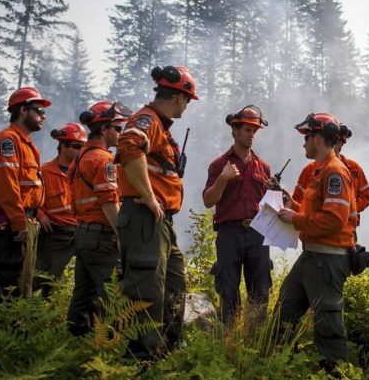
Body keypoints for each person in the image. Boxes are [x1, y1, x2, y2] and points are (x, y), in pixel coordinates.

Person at [115, 65, 198, 358]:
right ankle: (141, 364)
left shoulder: (160, 126)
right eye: (188, 100)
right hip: (144, 219)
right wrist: (149, 196)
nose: (187, 107)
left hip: (160, 221)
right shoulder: (147, 119)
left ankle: (166, 353)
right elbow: (129, 146)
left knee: (174, 286)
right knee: (146, 293)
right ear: (179, 98)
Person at [275, 112, 356, 370]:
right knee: (284, 311)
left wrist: (294, 219)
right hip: (312, 255)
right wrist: (294, 206)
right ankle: (281, 368)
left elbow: (333, 220)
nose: (304, 142)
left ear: (319, 138)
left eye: (307, 136)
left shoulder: (335, 172)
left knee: (328, 326)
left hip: (328, 259)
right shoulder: (318, 171)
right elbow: (316, 213)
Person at [0, 87, 50, 308]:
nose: (43, 116)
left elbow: (29, 188)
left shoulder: (27, 145)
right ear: (23, 110)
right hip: (9, 225)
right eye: (39, 110)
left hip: (23, 221)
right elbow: (7, 186)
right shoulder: (7, 141)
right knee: (6, 288)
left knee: (21, 286)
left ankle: (13, 337)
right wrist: (19, 222)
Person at [203, 105, 272, 325]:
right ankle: (229, 339)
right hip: (229, 233)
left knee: (260, 290)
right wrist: (222, 179)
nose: (252, 135)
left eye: (254, 131)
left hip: (258, 233)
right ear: (234, 130)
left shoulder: (263, 167)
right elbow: (208, 201)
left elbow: (269, 204)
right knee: (228, 289)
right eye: (247, 130)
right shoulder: (219, 165)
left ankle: (256, 339)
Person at [66, 101, 130, 336]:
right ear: (104, 129)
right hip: (101, 237)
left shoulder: (80, 157)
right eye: (117, 128)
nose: (120, 133)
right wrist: (121, 235)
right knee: (112, 295)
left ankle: (74, 345)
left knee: (83, 296)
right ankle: (113, 349)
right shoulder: (103, 160)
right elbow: (108, 202)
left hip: (83, 234)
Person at [34, 122, 87, 297]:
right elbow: (31, 199)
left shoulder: (85, 172)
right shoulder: (45, 172)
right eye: (77, 146)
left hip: (82, 232)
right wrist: (40, 214)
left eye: (83, 147)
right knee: (47, 279)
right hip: (55, 235)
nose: (81, 150)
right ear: (63, 145)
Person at [335, 124, 369, 236]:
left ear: (341, 143)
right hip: (323, 230)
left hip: (348, 230)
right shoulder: (314, 168)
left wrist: (349, 208)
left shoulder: (354, 168)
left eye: (336, 141)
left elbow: (366, 196)